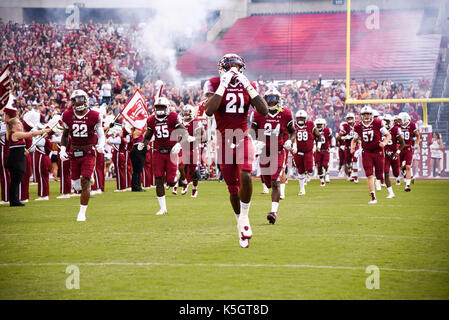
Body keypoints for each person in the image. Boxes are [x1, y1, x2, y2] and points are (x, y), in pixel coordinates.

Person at [204, 53, 268, 248]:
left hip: (242, 136)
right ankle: (239, 221)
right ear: (222, 68)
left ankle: (245, 218)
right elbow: (209, 110)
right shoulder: (214, 83)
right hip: (223, 139)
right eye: (230, 66)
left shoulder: (247, 84)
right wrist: (223, 85)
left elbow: (264, 110)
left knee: (247, 175)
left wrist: (247, 85)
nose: (234, 70)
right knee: (233, 190)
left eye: (237, 67)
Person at [138, 96, 190, 215]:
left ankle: (176, 176)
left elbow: (185, 133)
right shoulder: (151, 120)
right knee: (159, 179)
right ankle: (163, 208)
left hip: (171, 152)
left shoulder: (173, 117)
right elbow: (147, 136)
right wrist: (143, 144)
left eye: (162, 107)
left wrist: (179, 144)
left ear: (167, 107)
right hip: (158, 152)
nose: (160, 109)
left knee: (171, 182)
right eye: (158, 107)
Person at [251, 87, 295, 224]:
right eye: (268, 99)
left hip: (278, 151)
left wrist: (289, 140)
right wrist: (254, 140)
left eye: (273, 99)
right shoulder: (258, 113)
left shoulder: (286, 114)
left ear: (278, 99)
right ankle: (272, 195)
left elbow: (292, 131)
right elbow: (252, 129)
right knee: (269, 184)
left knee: (276, 183)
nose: (270, 102)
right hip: (264, 151)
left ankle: (273, 212)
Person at [60, 89, 105, 221]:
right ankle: (87, 178)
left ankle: (82, 213)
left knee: (85, 182)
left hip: (88, 151)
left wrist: (101, 145)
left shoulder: (95, 115)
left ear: (85, 99)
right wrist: (63, 149)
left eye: (80, 99)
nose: (78, 102)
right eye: (75, 99)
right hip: (74, 151)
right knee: (76, 185)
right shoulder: (67, 115)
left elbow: (101, 134)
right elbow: (65, 135)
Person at [5, 117, 50, 206]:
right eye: (18, 123)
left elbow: (17, 147)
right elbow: (31, 134)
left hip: (18, 160)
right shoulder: (15, 134)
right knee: (15, 182)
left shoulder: (16, 134)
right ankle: (14, 201)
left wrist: (24, 151)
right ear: (13, 126)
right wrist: (44, 130)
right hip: (15, 162)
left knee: (16, 182)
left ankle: (14, 200)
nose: (20, 124)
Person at [351, 105, 391, 204]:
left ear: (371, 114)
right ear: (361, 115)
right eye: (364, 114)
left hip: (378, 151)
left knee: (379, 174)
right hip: (367, 152)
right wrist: (352, 147)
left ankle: (379, 181)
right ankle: (373, 197)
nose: (366, 116)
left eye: (368, 114)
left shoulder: (378, 123)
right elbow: (354, 139)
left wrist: (384, 143)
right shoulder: (358, 126)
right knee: (369, 174)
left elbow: (388, 135)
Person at [292, 109, 320, 195]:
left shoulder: (311, 124)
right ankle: (302, 189)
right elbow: (290, 136)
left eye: (302, 118)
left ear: (306, 118)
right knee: (300, 170)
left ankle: (307, 176)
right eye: (299, 118)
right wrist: (293, 145)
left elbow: (318, 136)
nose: (300, 120)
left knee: (310, 169)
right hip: (298, 151)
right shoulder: (293, 126)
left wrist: (317, 146)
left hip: (308, 151)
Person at [178, 104, 204, 198]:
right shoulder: (180, 121)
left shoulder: (196, 122)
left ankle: (195, 187)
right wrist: (177, 143)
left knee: (193, 171)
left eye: (187, 111)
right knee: (180, 167)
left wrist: (193, 138)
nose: (185, 113)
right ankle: (185, 183)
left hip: (193, 148)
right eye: (184, 111)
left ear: (191, 112)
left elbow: (202, 135)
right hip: (183, 148)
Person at [383, 114, 405, 198]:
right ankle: (391, 193)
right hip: (385, 155)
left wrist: (398, 152)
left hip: (394, 154)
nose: (385, 123)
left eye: (387, 121)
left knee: (396, 173)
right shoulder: (381, 130)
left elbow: (402, 143)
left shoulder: (395, 129)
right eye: (384, 121)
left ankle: (402, 170)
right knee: (386, 173)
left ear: (391, 122)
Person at [398, 112, 420, 191]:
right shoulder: (397, 126)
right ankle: (404, 172)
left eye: (400, 119)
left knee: (408, 166)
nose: (399, 121)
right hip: (399, 148)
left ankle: (407, 185)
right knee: (398, 165)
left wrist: (417, 144)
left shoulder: (412, 125)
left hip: (408, 148)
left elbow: (418, 135)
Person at [30, 124, 53, 201]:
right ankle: (42, 194)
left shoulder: (43, 139)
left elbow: (34, 143)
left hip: (43, 158)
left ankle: (44, 195)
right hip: (42, 158)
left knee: (43, 177)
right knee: (41, 177)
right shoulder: (42, 138)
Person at [336, 112, 360, 183]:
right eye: (348, 118)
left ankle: (355, 176)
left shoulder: (357, 125)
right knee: (348, 162)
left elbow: (361, 135)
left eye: (351, 118)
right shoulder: (344, 126)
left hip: (355, 145)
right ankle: (350, 176)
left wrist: (356, 138)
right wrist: (345, 137)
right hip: (347, 145)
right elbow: (338, 137)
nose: (349, 119)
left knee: (355, 159)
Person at [314, 118, 333, 187]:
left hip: (325, 150)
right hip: (318, 151)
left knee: (325, 164)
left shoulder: (327, 130)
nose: (319, 126)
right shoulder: (314, 131)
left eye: (320, 125)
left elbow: (332, 138)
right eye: (317, 125)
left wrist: (332, 146)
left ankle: (327, 173)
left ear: (324, 125)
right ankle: (322, 181)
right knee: (319, 166)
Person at [129, 124, 146, 192]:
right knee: (137, 170)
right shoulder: (136, 132)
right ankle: (136, 187)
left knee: (138, 170)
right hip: (137, 151)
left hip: (140, 151)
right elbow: (144, 131)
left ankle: (137, 186)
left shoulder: (138, 131)